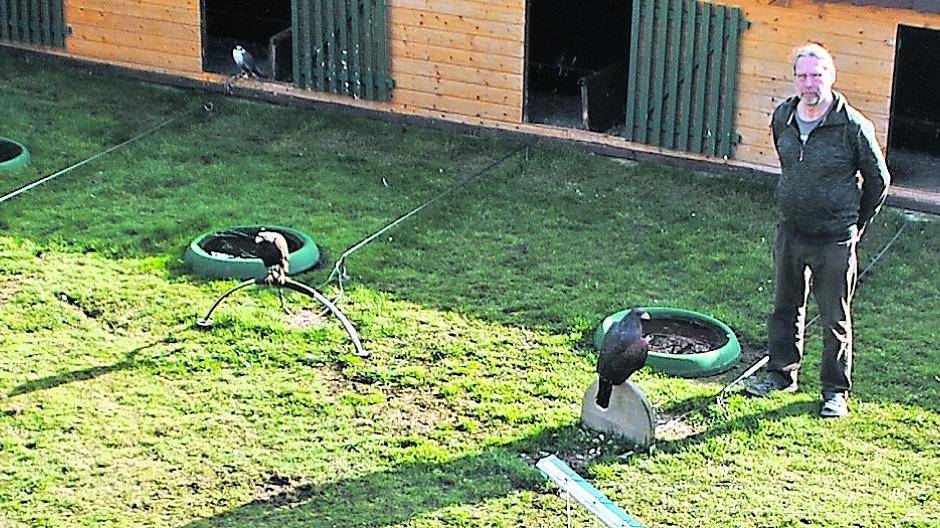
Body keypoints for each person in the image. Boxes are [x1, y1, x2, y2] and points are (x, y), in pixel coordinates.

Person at [745, 43, 891, 418]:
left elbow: (878, 179)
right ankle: (781, 372)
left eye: (817, 74)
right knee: (784, 308)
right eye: (803, 75)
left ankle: (834, 390)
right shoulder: (783, 117)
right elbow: (788, 162)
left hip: (835, 239)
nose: (809, 83)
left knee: (834, 318)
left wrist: (857, 223)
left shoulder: (853, 126)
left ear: (831, 76)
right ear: (795, 79)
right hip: (791, 231)